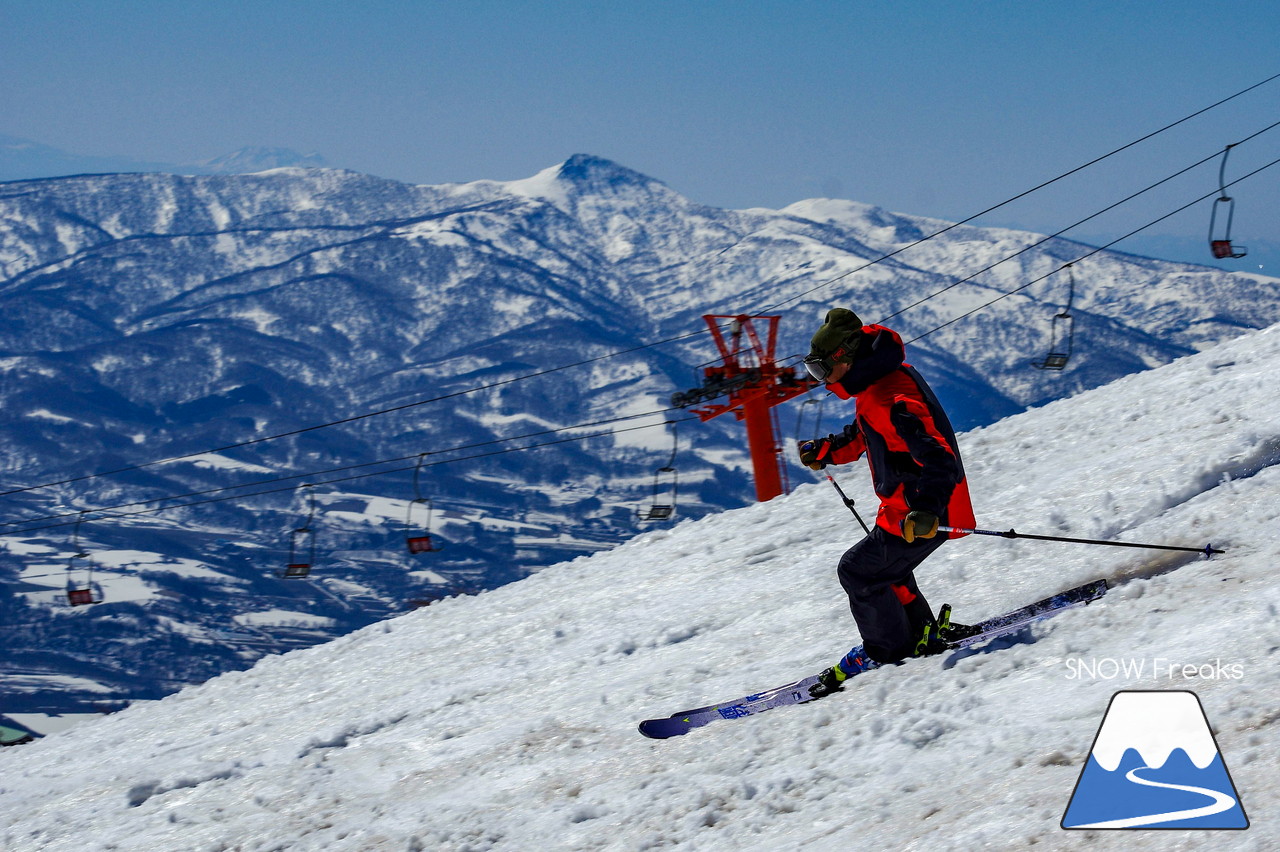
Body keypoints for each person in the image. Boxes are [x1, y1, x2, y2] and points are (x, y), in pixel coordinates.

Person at [797, 308, 976, 697]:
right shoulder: (878, 385)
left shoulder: (891, 396)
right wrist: (827, 449)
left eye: (822, 370)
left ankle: (886, 649)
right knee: (885, 569)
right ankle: (920, 633)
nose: (822, 380)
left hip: (924, 511)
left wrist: (928, 508)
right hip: (909, 509)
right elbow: (867, 433)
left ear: (845, 358)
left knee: (858, 571)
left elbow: (939, 457)